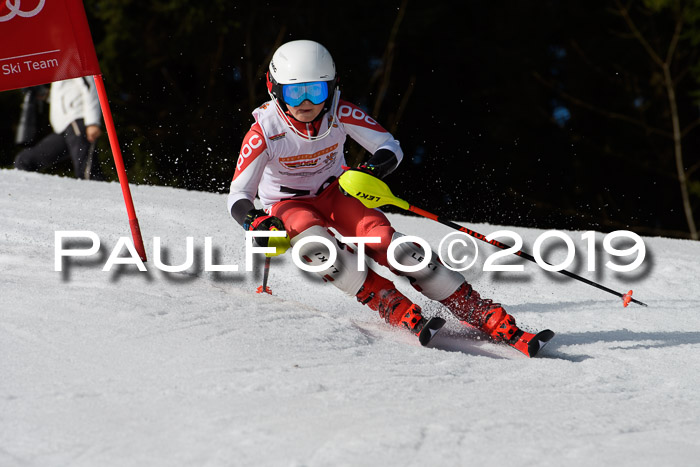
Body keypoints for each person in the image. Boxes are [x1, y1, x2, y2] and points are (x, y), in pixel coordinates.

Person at [228, 40, 543, 354]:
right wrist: (253, 219)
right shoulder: (265, 131)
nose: (306, 102)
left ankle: (486, 315)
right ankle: (394, 306)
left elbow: (389, 146)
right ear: (275, 89)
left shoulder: (340, 112)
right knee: (322, 251)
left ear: (332, 87)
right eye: (295, 92)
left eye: (317, 90)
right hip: (289, 205)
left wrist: (370, 170)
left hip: (336, 192)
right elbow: (239, 194)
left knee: (397, 248)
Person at [14, 77, 104, 180]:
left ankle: (101, 195)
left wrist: (92, 122)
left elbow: (89, 86)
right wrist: (45, 94)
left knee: (87, 173)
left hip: (77, 121)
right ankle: (33, 194)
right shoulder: (56, 66)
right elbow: (63, 96)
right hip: (62, 129)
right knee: (24, 160)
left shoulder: (74, 61)